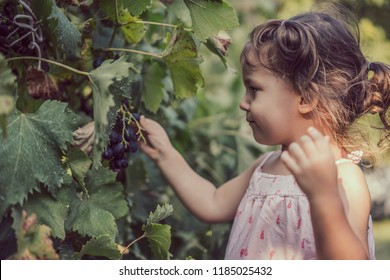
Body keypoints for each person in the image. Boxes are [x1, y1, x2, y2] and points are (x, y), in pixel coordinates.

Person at [139, 9, 390, 259]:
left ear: (306, 97)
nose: (243, 102)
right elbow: (212, 202)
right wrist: (165, 154)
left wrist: (324, 197)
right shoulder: (266, 166)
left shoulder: (344, 177)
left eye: (254, 90)